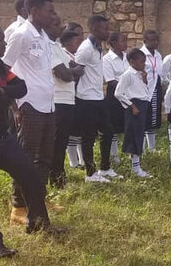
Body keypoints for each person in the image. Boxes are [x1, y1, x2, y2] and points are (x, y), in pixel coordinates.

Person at [0, 22, 65, 257]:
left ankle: (38, 222)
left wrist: (0, 91)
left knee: (29, 174)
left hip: (1, 135)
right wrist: (2, 91)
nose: (4, 42)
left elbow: (21, 87)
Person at [2, 0, 59, 225]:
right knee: (24, 158)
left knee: (44, 158)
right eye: (49, 11)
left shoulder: (44, 36)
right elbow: (4, 69)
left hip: (48, 105)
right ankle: (19, 206)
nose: (52, 15)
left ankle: (38, 200)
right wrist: (14, 106)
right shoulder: (21, 34)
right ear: (33, 10)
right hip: (29, 105)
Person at [75, 15, 119, 183]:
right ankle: (90, 173)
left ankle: (105, 168)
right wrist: (76, 98)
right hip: (86, 99)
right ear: (93, 29)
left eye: (108, 28)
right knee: (88, 136)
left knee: (108, 131)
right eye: (104, 28)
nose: (107, 32)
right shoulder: (86, 48)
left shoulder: (98, 47)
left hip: (98, 97)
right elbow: (77, 73)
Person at [48, 23, 84, 190]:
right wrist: (74, 71)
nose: (61, 26)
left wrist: (73, 71)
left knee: (61, 142)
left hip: (68, 100)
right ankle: (56, 179)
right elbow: (65, 75)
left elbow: (72, 70)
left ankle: (58, 176)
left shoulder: (57, 48)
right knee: (56, 143)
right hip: (59, 101)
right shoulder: (51, 48)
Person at [115, 48, 152, 178]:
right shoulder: (127, 75)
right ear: (132, 62)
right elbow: (118, 93)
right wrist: (132, 106)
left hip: (142, 105)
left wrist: (145, 80)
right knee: (134, 137)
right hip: (135, 107)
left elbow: (142, 90)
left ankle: (136, 165)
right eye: (141, 62)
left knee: (140, 135)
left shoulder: (139, 74)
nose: (143, 64)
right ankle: (136, 169)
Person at [103, 32, 129, 165]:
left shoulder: (127, 57)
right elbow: (110, 80)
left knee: (128, 123)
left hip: (128, 94)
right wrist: (126, 86)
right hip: (114, 95)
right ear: (113, 43)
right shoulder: (107, 59)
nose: (125, 43)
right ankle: (114, 154)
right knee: (113, 126)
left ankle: (130, 151)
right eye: (122, 41)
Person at [61, 28, 84, 169]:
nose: (79, 44)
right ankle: (73, 161)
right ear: (68, 43)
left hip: (79, 95)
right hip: (69, 95)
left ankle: (82, 160)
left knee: (80, 129)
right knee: (72, 130)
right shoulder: (65, 55)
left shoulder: (75, 56)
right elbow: (74, 72)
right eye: (77, 41)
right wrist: (76, 69)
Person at [140, 30, 164, 152]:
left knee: (153, 118)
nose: (155, 42)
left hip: (155, 88)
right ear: (145, 41)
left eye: (156, 40)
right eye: (152, 40)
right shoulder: (141, 54)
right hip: (144, 89)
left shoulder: (158, 55)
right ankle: (141, 148)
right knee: (144, 118)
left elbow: (160, 71)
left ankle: (152, 147)